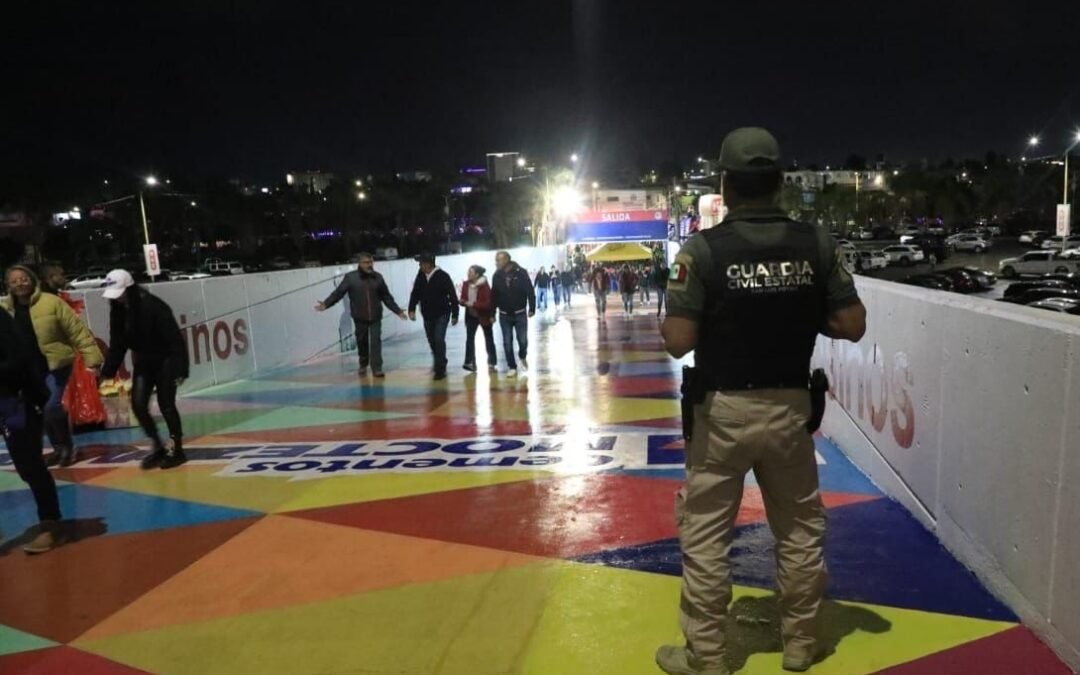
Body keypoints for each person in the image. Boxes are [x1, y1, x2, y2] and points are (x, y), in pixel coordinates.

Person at [656, 128, 867, 675]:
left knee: (705, 535)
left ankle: (707, 656)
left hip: (722, 412)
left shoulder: (702, 250)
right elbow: (851, 323)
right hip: (790, 412)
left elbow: (678, 340)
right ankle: (800, 646)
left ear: (725, 184)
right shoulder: (816, 243)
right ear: (778, 182)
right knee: (798, 529)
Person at [2, 265, 103, 467]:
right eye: (13, 281)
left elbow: (76, 331)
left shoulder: (51, 303)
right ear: (8, 286)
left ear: (32, 280)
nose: (19, 284)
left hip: (55, 364)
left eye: (23, 279)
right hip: (28, 370)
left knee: (51, 406)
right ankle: (59, 448)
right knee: (41, 409)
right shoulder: (5, 309)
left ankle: (68, 447)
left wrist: (92, 357)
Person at [100, 269, 190, 470]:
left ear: (130, 289)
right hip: (143, 361)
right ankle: (157, 445)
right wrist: (107, 372)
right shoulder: (117, 310)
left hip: (166, 360)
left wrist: (181, 369)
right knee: (138, 404)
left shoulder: (154, 306)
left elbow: (175, 340)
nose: (117, 299)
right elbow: (118, 344)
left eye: (120, 293)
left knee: (166, 404)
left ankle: (177, 450)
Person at [0, 306, 61, 553]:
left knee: (30, 466)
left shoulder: (2, 321)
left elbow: (18, 361)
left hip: (16, 400)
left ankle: (50, 524)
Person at [315, 252, 407, 378]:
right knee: (362, 341)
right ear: (359, 263)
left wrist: (398, 311)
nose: (369, 265)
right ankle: (363, 364)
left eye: (370, 262)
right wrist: (326, 304)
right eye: (366, 263)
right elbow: (339, 293)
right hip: (360, 316)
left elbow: (386, 297)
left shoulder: (378, 278)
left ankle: (377, 368)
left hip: (375, 316)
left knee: (375, 342)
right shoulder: (351, 278)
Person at [407, 253, 459, 380]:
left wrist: (455, 314)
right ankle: (441, 360)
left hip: (442, 313)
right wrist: (411, 309)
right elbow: (415, 293)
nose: (420, 266)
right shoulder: (420, 277)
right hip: (427, 314)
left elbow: (452, 295)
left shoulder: (443, 276)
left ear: (429, 263)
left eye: (421, 263)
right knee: (432, 340)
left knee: (439, 338)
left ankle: (439, 369)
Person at [490, 250, 535, 377]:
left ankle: (522, 356)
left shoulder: (521, 273)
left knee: (523, 341)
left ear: (506, 260)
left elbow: (530, 290)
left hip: (520, 313)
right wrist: (492, 313)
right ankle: (512, 366)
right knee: (507, 342)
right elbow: (494, 295)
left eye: (498, 260)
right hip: (504, 315)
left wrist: (532, 307)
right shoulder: (496, 276)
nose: (496, 263)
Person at [459, 264, 497, 372]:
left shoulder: (484, 285)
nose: (468, 274)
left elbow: (488, 304)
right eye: (468, 272)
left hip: (484, 315)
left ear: (477, 274)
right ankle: (470, 362)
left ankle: (491, 362)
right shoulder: (466, 284)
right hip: (471, 315)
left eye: (470, 272)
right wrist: (462, 302)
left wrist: (473, 304)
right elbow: (464, 298)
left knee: (488, 339)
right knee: (470, 339)